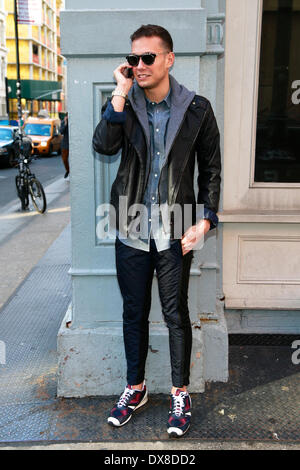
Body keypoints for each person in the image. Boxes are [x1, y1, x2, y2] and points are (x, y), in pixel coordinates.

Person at [92, 24, 221, 438]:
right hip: (131, 222)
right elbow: (103, 146)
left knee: (175, 312)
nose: (140, 65)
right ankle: (137, 387)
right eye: (133, 59)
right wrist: (119, 91)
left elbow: (211, 169)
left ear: (168, 59)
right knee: (134, 311)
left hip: (177, 225)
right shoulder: (124, 105)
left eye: (148, 58)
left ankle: (180, 392)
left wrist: (206, 219)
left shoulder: (198, 109)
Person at [60, 112, 69, 178]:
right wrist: (65, 124)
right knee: (64, 159)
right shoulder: (63, 122)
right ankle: (68, 170)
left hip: (72, 144)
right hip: (65, 144)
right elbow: (61, 131)